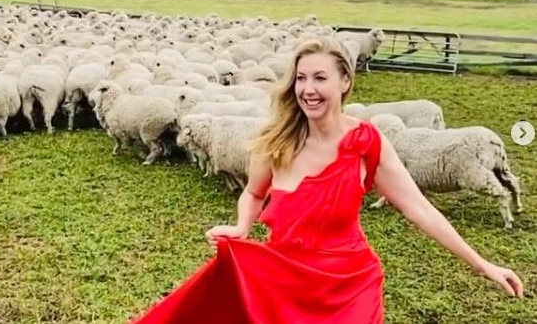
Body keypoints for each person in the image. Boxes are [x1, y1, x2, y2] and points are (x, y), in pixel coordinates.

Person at [131, 36, 523, 324]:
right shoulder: (275, 141)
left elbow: (419, 207)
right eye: (301, 78)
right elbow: (252, 192)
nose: (308, 89)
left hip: (349, 288)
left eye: (320, 78)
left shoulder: (367, 142)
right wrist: (241, 226)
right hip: (283, 285)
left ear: (345, 82)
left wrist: (483, 264)